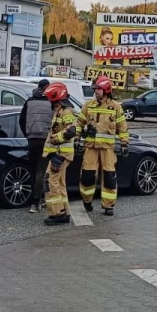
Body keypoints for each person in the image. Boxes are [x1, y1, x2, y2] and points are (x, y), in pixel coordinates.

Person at [76, 76, 129, 216]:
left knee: (109, 176)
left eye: (98, 89)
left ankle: (109, 205)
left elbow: (122, 127)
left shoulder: (116, 107)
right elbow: (79, 124)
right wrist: (77, 138)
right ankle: (87, 201)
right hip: (90, 146)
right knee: (87, 175)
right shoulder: (88, 105)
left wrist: (124, 143)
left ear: (106, 90)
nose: (96, 92)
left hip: (107, 148)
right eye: (95, 90)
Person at [42, 82, 78, 226]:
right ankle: (64, 212)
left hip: (61, 154)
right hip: (59, 153)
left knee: (50, 181)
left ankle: (57, 213)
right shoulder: (59, 110)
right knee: (59, 183)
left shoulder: (66, 111)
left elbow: (71, 131)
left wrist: (56, 140)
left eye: (51, 99)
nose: (49, 102)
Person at [18, 79, 52, 213]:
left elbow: (21, 120)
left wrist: (28, 135)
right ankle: (36, 201)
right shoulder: (50, 103)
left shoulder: (29, 102)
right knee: (41, 172)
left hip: (32, 140)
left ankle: (37, 198)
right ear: (46, 88)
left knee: (33, 170)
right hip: (45, 140)